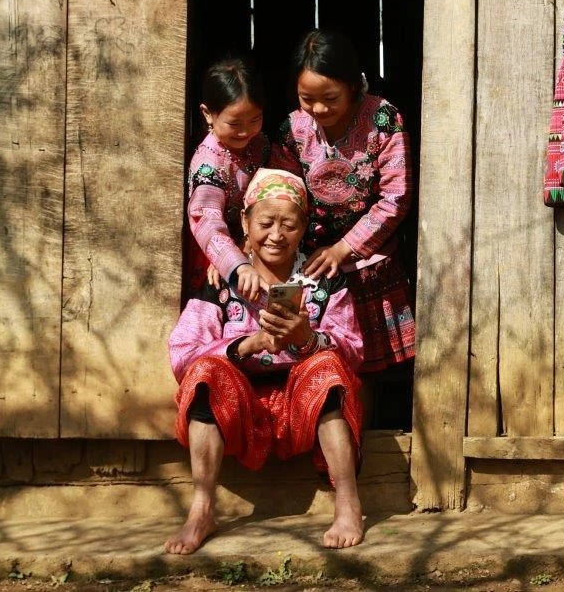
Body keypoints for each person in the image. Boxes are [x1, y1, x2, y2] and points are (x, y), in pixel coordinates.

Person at [166, 168, 366, 554]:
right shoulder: (222, 279)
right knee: (206, 370)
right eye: (266, 223)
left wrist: (308, 339)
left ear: (304, 226)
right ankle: (202, 509)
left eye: (289, 225)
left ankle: (348, 503)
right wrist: (249, 344)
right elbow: (184, 352)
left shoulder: (323, 279)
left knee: (327, 368)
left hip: (302, 406)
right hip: (237, 409)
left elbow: (354, 350)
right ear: (244, 220)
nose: (276, 235)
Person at [274, 30, 416, 374]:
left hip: (372, 263)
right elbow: (283, 193)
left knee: (370, 373)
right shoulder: (293, 129)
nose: (318, 109)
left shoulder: (383, 120)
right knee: (322, 368)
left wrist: (343, 249)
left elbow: (396, 197)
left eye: (330, 97)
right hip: (313, 269)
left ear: (353, 84)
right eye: (307, 98)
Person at [186, 56, 273, 299]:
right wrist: (234, 262)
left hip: (256, 246)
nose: (245, 131)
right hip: (218, 256)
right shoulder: (209, 162)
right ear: (207, 114)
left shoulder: (261, 145)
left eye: (255, 120)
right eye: (234, 123)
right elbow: (206, 218)